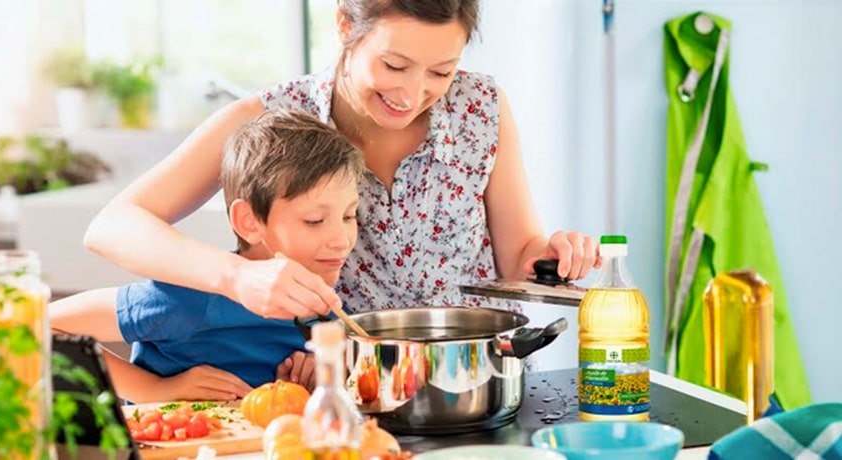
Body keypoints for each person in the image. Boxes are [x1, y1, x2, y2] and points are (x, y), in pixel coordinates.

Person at [83, 0, 599, 319]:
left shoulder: (480, 109)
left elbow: (518, 258)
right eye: (394, 64)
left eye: (441, 71)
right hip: (331, 387)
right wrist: (235, 277)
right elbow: (113, 226)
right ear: (344, 24)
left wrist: (550, 256)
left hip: (476, 381)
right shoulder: (273, 119)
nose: (414, 92)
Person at [51, 110, 364, 402]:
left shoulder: (325, 305)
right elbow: (42, 328)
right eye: (314, 221)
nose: (341, 240)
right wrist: (158, 389)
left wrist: (313, 376)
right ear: (249, 221)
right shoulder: (192, 300)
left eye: (349, 216)